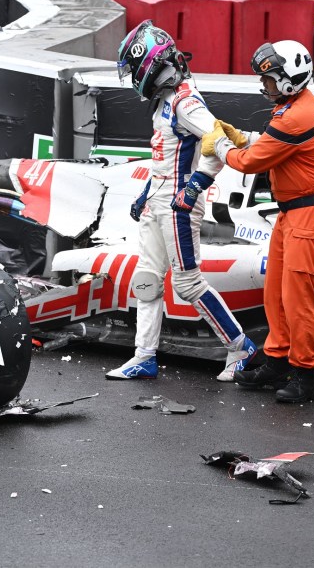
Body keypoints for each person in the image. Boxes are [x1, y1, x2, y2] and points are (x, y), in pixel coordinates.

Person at [105, 20, 257, 381]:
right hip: (159, 200)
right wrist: (144, 195)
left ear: (150, 66)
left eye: (134, 70)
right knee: (147, 278)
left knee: (187, 283)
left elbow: (219, 143)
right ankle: (144, 356)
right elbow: (163, 158)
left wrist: (194, 188)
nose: (132, 79)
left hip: (177, 206)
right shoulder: (168, 100)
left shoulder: (187, 102)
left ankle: (241, 347)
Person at [200, 40, 314, 403]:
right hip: (294, 212)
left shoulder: (296, 115)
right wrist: (240, 137)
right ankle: (277, 360)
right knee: (276, 291)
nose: (265, 87)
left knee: (297, 298)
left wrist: (219, 145)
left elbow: (250, 163)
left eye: (271, 80)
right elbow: (271, 144)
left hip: (310, 214)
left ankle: (305, 375)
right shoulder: (295, 107)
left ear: (289, 80)